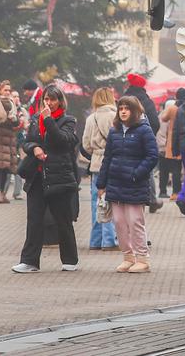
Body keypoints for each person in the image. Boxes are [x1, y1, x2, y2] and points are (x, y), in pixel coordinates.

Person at [13, 84, 80, 273]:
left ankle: (70, 260)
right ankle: (29, 261)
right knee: (34, 220)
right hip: (37, 176)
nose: (49, 103)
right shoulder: (36, 119)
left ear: (60, 101)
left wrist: (49, 120)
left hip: (58, 176)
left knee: (63, 220)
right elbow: (27, 142)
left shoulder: (68, 121)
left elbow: (63, 141)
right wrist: (34, 148)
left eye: (52, 99)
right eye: (46, 99)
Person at [96, 96, 158, 273]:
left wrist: (136, 174)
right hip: (115, 184)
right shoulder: (114, 131)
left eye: (127, 108)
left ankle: (142, 259)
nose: (123, 111)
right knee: (119, 222)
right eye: (121, 108)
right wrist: (101, 184)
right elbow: (107, 158)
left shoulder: (144, 130)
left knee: (135, 221)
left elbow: (152, 156)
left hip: (134, 185)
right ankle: (128, 257)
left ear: (135, 110)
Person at [81, 87, 119, 251]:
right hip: (114, 163)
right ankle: (109, 240)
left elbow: (86, 144)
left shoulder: (91, 118)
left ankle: (95, 240)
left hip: (96, 163)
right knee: (112, 201)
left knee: (97, 202)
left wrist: (96, 152)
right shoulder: (115, 116)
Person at [124, 72, 162, 211]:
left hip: (125, 140)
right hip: (144, 141)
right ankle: (151, 200)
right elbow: (155, 123)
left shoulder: (123, 100)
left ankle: (126, 199)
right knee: (147, 170)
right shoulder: (146, 101)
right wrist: (148, 137)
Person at [0, 80, 24, 204]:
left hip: (9, 140)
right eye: (5, 90)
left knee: (7, 168)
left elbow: (16, 123)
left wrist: (14, 119)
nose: (7, 92)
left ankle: (2, 193)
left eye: (9, 90)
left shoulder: (12, 104)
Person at [157, 96, 180, 199]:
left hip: (163, 147)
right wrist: (164, 146)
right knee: (172, 170)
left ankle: (163, 191)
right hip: (166, 147)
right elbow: (163, 134)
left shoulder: (161, 116)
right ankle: (169, 191)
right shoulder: (167, 118)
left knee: (163, 171)